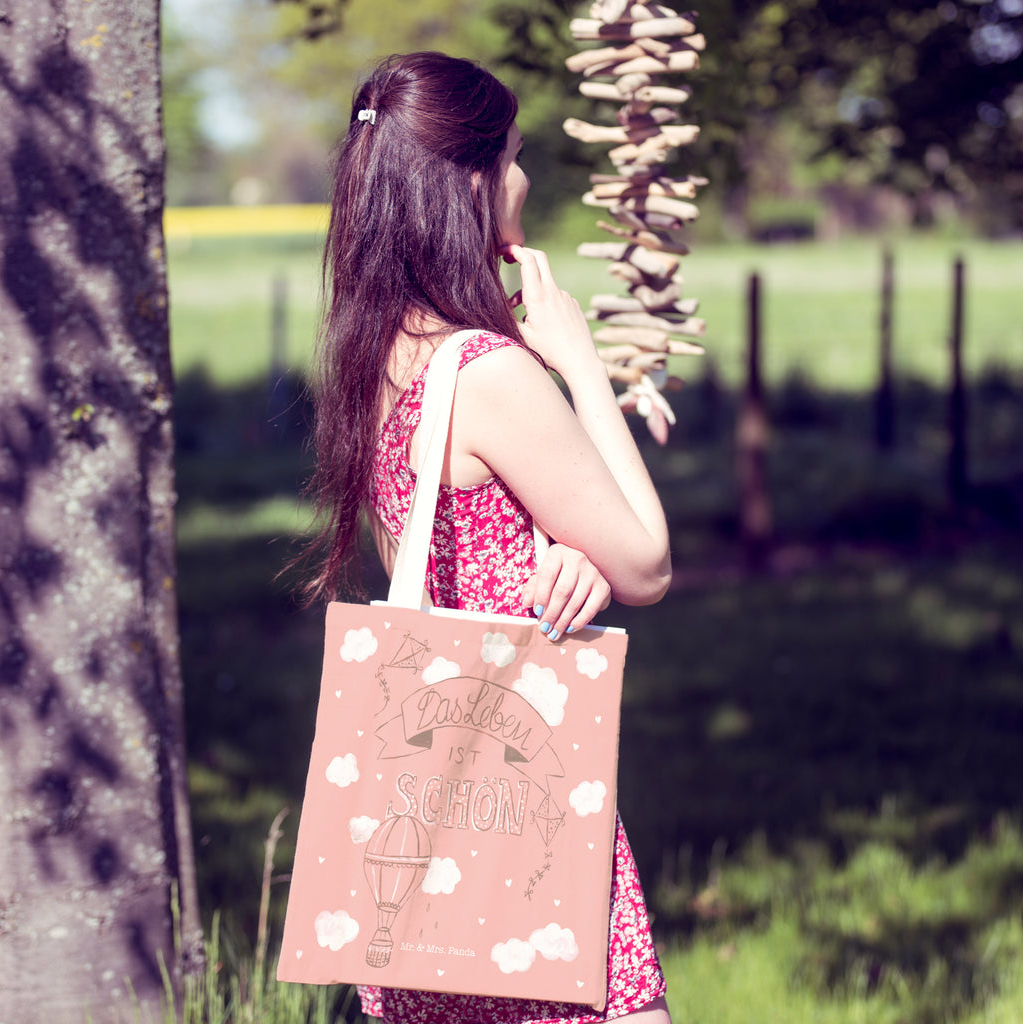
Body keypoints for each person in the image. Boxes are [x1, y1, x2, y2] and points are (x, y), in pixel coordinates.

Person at [300, 51, 673, 1024]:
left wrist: (555, 554)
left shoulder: (376, 354)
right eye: (510, 156)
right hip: (524, 818)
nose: (524, 178)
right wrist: (581, 364)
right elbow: (646, 562)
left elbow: (433, 557)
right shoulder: (490, 372)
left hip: (425, 847)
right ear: (467, 180)